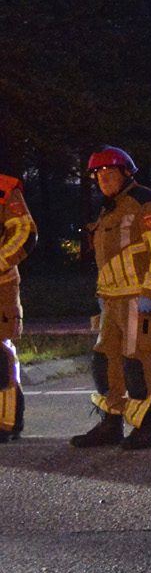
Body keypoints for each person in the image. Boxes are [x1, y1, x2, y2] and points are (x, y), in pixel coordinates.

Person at [71, 146, 151, 451]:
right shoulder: (109, 209)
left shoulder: (145, 202)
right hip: (112, 300)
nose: (103, 179)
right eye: (98, 175)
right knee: (105, 364)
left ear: (126, 173)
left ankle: (146, 428)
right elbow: (107, 259)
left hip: (138, 299)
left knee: (138, 364)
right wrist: (101, 296)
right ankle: (111, 424)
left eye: (109, 172)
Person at [0, 168, 36, 441]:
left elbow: (25, 232)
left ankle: (6, 423)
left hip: (0, 286)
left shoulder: (4, 188)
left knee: (0, 353)